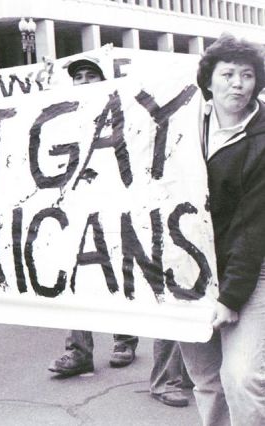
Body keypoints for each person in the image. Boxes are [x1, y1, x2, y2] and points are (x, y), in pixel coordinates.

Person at [179, 33, 265, 426]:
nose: (238, 84)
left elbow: (253, 228)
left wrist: (230, 298)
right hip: (188, 268)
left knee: (242, 376)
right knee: (206, 378)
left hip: (250, 268)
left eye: (247, 75)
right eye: (228, 74)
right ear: (208, 80)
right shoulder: (179, 126)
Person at [48, 58, 139, 376]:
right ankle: (78, 351)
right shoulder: (64, 116)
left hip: (114, 200)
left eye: (91, 75)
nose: (84, 81)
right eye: (79, 77)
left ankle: (124, 340)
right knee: (75, 276)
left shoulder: (120, 110)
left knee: (115, 268)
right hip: (75, 203)